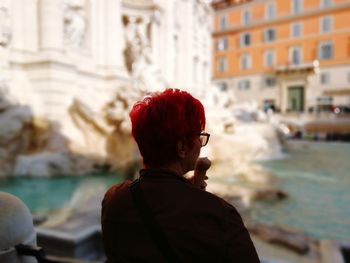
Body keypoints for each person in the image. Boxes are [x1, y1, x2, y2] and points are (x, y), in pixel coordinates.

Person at [101, 88, 260, 262]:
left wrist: (184, 190)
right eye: (199, 136)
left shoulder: (114, 200)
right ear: (182, 147)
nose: (201, 143)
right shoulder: (219, 215)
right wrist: (192, 197)